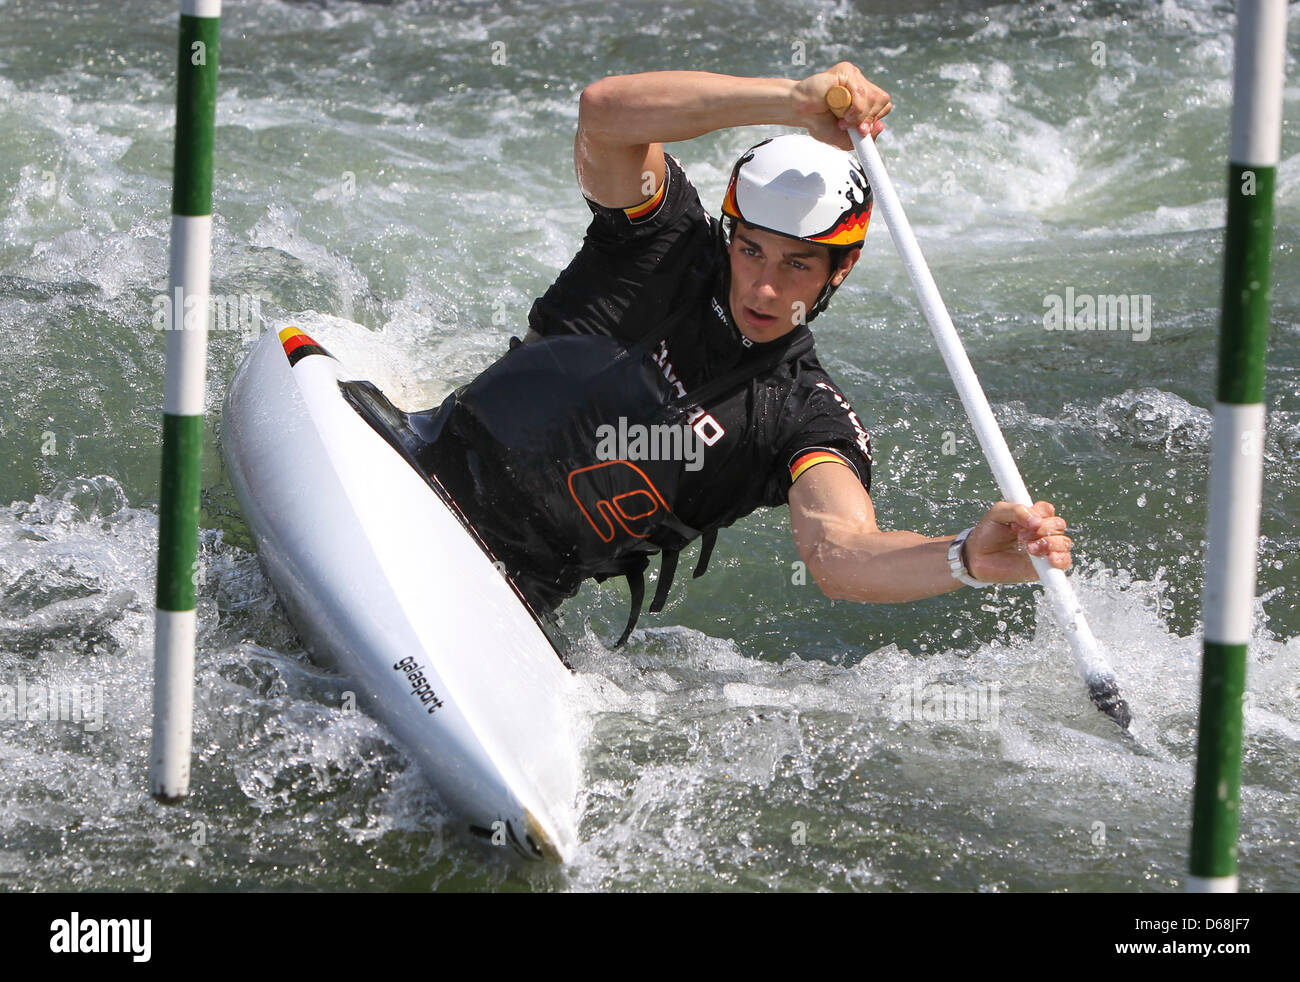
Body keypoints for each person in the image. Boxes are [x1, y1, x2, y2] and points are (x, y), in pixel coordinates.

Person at [418, 63, 1074, 644]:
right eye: (751, 249)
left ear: (837, 273)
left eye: (797, 264)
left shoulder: (799, 413)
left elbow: (839, 553)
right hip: (413, 468)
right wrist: (792, 99)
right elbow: (604, 114)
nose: (764, 285)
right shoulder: (661, 248)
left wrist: (964, 558)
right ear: (730, 235)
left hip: (510, 596)